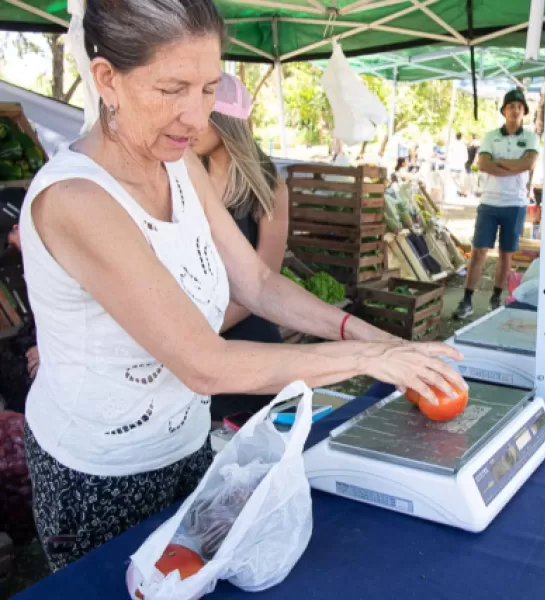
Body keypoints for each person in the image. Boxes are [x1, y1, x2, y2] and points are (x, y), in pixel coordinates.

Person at [21, 0, 465, 572]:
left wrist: (373, 335)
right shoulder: (77, 199)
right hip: (101, 473)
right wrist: (369, 358)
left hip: (184, 443)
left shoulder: (175, 165)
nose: (196, 117)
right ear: (107, 78)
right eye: (172, 88)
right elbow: (204, 363)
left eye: (209, 88)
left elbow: (256, 280)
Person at [190, 74, 289, 421]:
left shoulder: (268, 187)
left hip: (246, 345)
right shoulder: (181, 176)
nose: (190, 124)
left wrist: (202, 332)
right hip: (193, 346)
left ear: (226, 121)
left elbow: (265, 278)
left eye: (201, 114)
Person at [454, 89, 540, 319]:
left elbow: (529, 163)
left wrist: (499, 163)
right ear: (504, 110)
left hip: (516, 204)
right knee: (479, 251)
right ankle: (467, 300)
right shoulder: (490, 136)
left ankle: (496, 298)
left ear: (524, 112)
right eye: (511, 106)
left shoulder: (531, 137)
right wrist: (514, 164)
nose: (516, 110)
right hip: (489, 202)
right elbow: (483, 164)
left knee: (506, 254)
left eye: (520, 107)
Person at [0, 188, 38, 413]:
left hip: (79, 347)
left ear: (18, 227)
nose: (12, 247)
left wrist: (48, 349)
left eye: (10, 240)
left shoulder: (62, 252)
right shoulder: (35, 254)